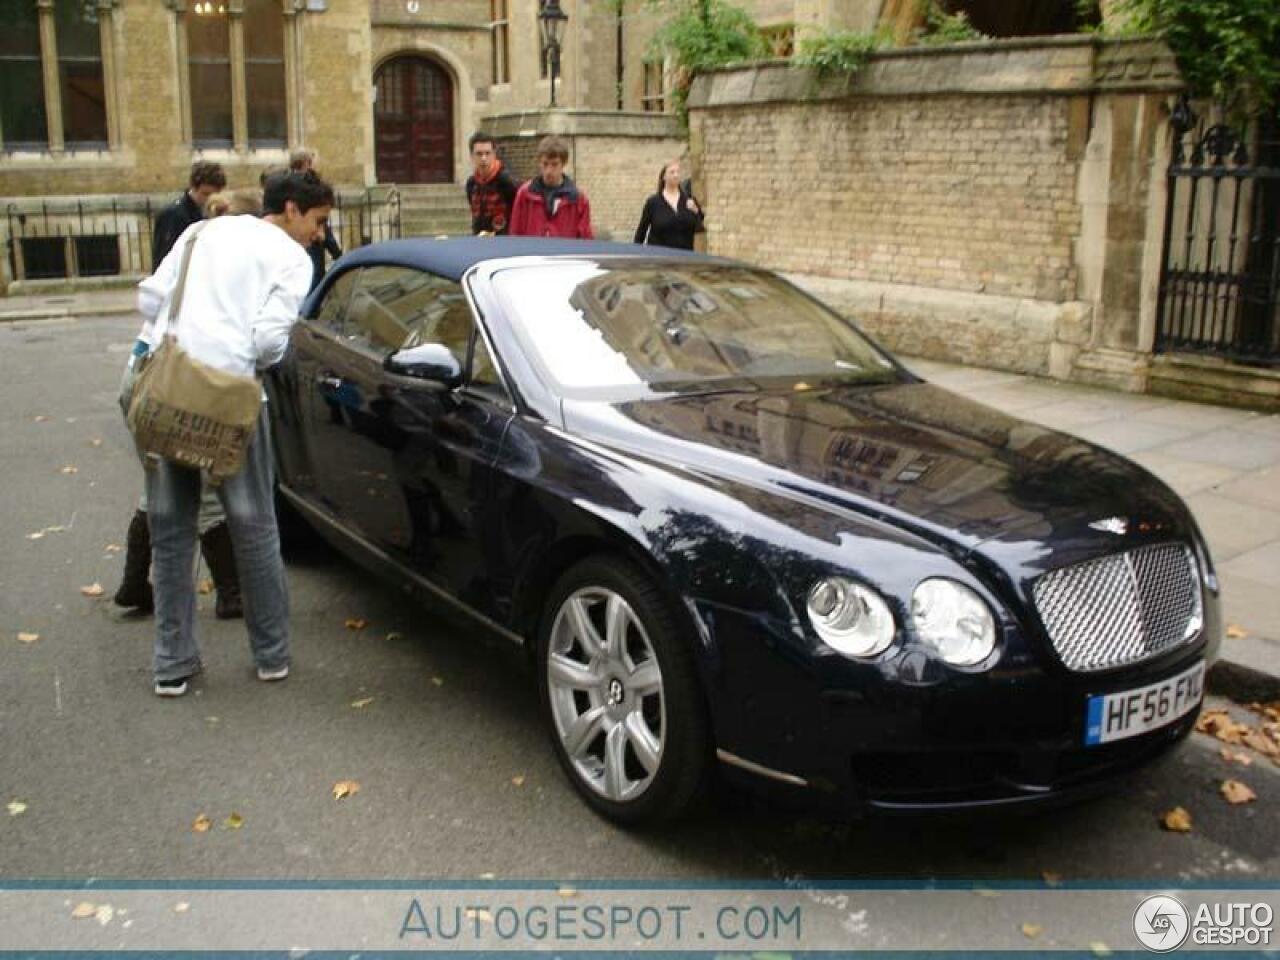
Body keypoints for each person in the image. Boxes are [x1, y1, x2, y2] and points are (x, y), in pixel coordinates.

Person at [136, 171, 334, 697]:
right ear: (291, 210)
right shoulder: (292, 259)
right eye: (318, 221)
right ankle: (271, 656)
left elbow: (151, 299)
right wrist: (239, 353)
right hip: (230, 397)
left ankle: (171, 665)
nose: (319, 234)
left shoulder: (203, 232)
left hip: (172, 389)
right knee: (254, 524)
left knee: (171, 528)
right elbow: (269, 342)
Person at [112, 189, 264, 622]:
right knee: (208, 483)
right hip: (182, 383)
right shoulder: (236, 262)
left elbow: (150, 299)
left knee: (158, 481)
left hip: (142, 374)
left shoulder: (193, 243)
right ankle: (232, 594)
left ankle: (133, 582)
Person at [508, 136, 593, 239]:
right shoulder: (525, 194)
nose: (549, 171)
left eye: (554, 164)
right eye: (545, 164)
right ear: (539, 163)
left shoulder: (578, 199)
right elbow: (515, 231)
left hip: (563, 253)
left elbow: (585, 238)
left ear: (563, 164)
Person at [151, 161, 227, 267]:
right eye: (206, 194)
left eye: (216, 194)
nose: (210, 199)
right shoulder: (172, 215)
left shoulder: (217, 214)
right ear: (193, 188)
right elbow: (163, 258)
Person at [289, 150, 342, 291]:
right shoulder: (312, 185)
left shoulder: (286, 182)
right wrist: (337, 253)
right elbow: (323, 226)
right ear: (307, 162)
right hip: (310, 244)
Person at [633, 160, 704, 250]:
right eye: (672, 172)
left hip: (684, 256)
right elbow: (641, 232)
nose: (676, 175)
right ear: (664, 176)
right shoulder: (653, 202)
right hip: (660, 257)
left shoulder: (689, 201)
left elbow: (700, 227)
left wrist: (696, 211)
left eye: (678, 172)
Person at [464, 132, 518, 235]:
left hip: (503, 240)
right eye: (479, 154)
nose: (483, 158)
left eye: (487, 153)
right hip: (479, 239)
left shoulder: (506, 181)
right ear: (472, 156)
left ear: (494, 154)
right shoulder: (471, 184)